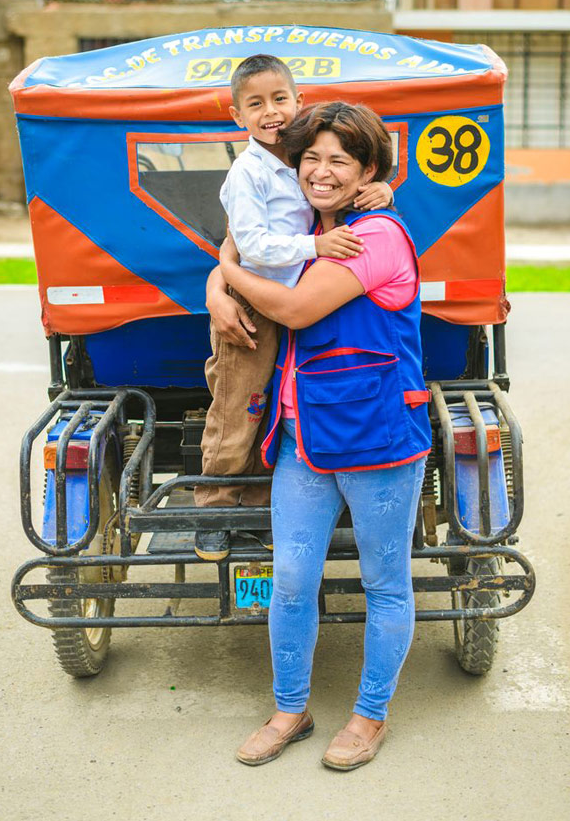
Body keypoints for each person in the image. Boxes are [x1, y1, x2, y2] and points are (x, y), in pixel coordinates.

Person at [208, 101, 432, 771]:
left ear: (368, 170)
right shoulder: (305, 227)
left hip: (379, 442)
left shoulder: (378, 234)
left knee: (385, 583)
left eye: (340, 159)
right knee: (291, 580)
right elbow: (246, 238)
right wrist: (222, 276)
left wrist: (223, 277)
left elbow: (296, 306)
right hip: (304, 441)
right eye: (310, 157)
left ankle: (369, 718)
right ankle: (290, 709)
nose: (320, 170)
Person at [193, 55, 392, 561]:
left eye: (280, 99)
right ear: (237, 115)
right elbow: (253, 246)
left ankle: (258, 507)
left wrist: (383, 189)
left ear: (299, 102)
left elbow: (347, 178)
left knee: (275, 413)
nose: (271, 112)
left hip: (301, 299)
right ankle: (214, 510)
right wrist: (315, 250)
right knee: (240, 406)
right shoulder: (247, 173)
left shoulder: (303, 158)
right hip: (255, 306)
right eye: (255, 104)